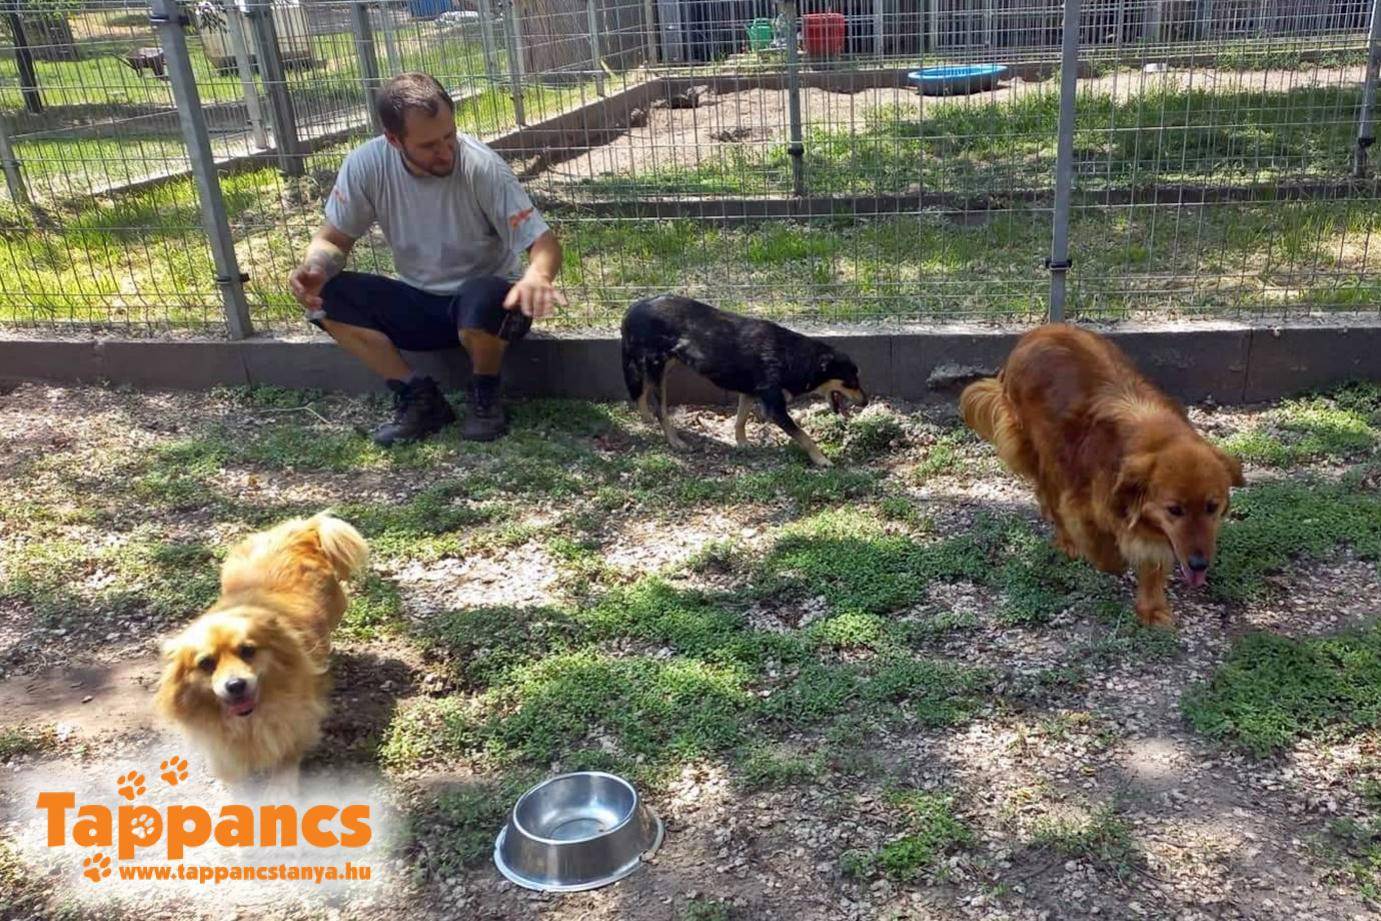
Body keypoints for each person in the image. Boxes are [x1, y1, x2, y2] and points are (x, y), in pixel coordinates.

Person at [288, 72, 566, 445]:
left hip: (488, 308)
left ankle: (485, 395)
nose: (446, 151)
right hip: (419, 301)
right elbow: (333, 238)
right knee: (328, 297)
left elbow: (543, 243)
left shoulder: (482, 166)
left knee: (483, 295)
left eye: (450, 135)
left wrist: (537, 276)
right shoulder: (366, 165)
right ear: (393, 139)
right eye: (429, 145)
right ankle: (418, 396)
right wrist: (317, 267)